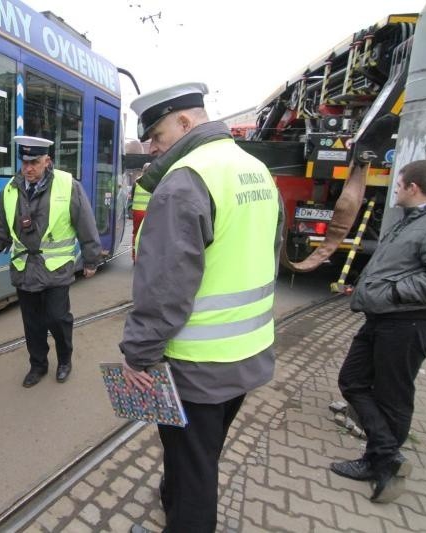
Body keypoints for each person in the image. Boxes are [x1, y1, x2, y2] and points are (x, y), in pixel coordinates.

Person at [120, 82, 283, 532]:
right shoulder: (255, 170)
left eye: (156, 135)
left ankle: (184, 517)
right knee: (200, 453)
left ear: (185, 122)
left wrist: (139, 355)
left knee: (194, 470)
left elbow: (164, 287)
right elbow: (269, 255)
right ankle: (172, 500)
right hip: (247, 354)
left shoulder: (186, 180)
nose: (152, 147)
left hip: (196, 367)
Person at [331, 160, 426, 503]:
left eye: (399, 184)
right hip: (385, 319)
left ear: (413, 188)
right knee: (353, 380)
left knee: (393, 397)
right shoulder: (417, 219)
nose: (396, 190)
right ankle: (386, 455)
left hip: (408, 323)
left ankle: (382, 465)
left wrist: (390, 293)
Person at [0, 135, 101, 388]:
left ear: (47, 162)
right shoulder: (10, 190)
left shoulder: (68, 185)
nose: (28, 168)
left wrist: (91, 260)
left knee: (57, 318)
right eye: (25, 163)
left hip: (55, 268)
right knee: (32, 324)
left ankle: (65, 359)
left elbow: (85, 224)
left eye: (34, 162)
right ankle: (38, 365)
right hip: (24, 269)